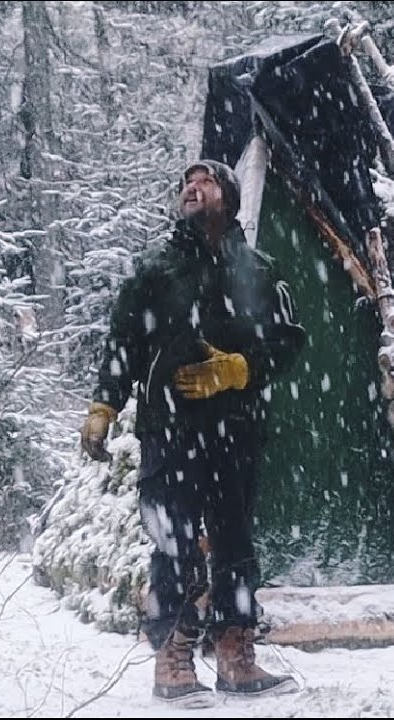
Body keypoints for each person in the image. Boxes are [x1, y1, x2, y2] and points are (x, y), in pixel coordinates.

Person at [80, 159, 306, 705]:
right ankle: (173, 659)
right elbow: (122, 344)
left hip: (236, 430)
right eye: (186, 184)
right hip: (170, 431)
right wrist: (102, 407)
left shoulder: (259, 269)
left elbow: (289, 340)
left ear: (227, 197)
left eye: (204, 183)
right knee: (174, 544)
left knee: (234, 543)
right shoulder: (155, 270)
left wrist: (238, 369)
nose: (192, 189)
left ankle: (235, 654)